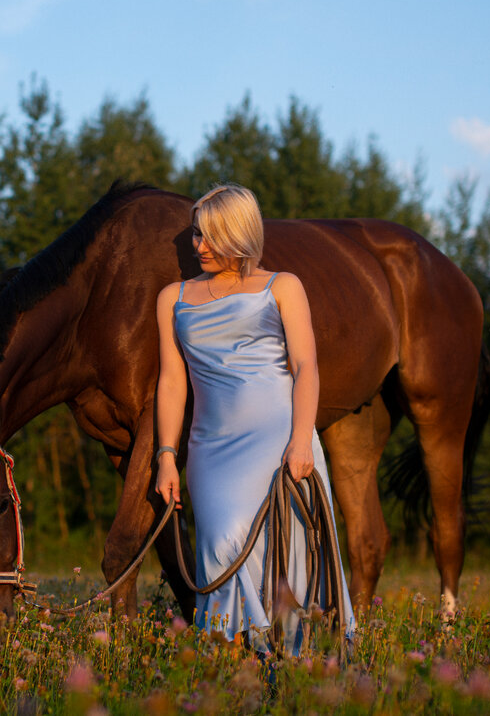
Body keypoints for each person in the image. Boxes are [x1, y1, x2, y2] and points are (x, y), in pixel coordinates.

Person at [153, 184, 354, 655]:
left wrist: (302, 440)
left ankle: (297, 658)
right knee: (223, 541)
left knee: (291, 549)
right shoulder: (173, 298)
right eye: (197, 235)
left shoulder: (281, 286)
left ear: (239, 234)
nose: (198, 246)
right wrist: (166, 456)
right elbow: (171, 381)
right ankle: (236, 654)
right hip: (211, 444)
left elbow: (306, 366)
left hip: (281, 433)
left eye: (210, 236)